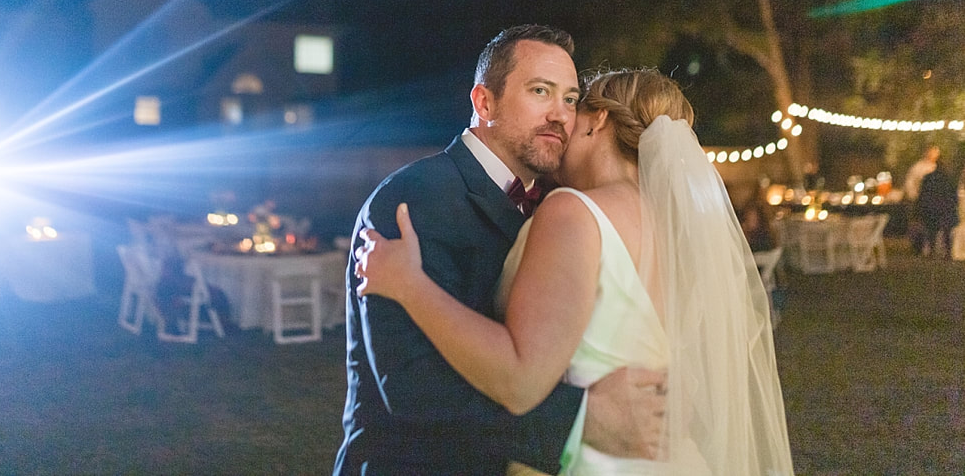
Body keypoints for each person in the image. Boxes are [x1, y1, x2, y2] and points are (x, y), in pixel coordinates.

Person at [357, 68, 794, 475]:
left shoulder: (573, 211)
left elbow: (520, 380)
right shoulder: (679, 231)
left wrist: (409, 285)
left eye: (573, 104)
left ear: (597, 120)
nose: (562, 122)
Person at [333, 27, 666, 475]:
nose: (561, 115)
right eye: (540, 91)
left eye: (570, 99)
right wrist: (580, 421)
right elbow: (414, 387)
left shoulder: (564, 203)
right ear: (484, 103)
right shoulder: (414, 198)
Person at [915, 159, 959, 258]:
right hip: (946, 209)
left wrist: (921, 207)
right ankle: (948, 252)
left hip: (932, 208)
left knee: (932, 232)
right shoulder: (949, 178)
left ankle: (932, 251)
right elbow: (954, 195)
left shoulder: (928, 177)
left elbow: (922, 194)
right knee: (947, 233)